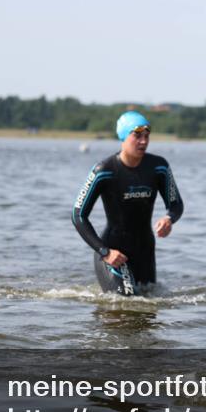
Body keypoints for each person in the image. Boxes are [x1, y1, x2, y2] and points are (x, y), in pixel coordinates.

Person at [72, 111, 184, 294]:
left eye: (147, 136)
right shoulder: (104, 170)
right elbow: (78, 215)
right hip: (113, 252)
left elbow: (176, 204)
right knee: (126, 301)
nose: (143, 141)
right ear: (123, 137)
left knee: (148, 309)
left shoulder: (159, 167)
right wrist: (105, 252)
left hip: (145, 251)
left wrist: (169, 218)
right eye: (137, 135)